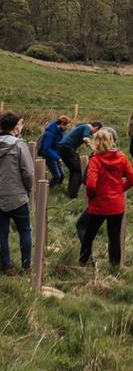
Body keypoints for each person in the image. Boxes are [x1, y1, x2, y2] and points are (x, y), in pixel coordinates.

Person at [79, 129, 133, 267]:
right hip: (116, 205)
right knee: (114, 237)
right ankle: (115, 267)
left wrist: (91, 196)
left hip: (99, 205)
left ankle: (82, 263)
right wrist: (119, 190)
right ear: (111, 141)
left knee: (89, 235)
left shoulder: (95, 160)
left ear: (96, 143)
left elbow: (91, 184)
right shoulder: (122, 158)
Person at [0, 113, 33, 273]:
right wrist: (28, 189)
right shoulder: (19, 145)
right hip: (17, 196)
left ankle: (6, 266)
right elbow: (28, 172)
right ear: (14, 127)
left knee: (1, 232)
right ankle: (26, 265)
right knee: (25, 230)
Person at [58, 120, 103, 198]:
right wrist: (94, 149)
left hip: (63, 148)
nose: (94, 133)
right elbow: (85, 139)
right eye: (96, 131)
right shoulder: (87, 127)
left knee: (74, 170)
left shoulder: (83, 126)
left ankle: (71, 192)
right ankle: (72, 194)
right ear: (96, 127)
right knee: (77, 170)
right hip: (67, 148)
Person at [39, 115, 70, 188]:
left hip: (56, 154)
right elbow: (46, 148)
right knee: (57, 176)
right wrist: (57, 158)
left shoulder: (60, 131)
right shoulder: (49, 134)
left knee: (62, 175)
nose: (67, 128)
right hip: (49, 155)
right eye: (66, 126)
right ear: (61, 124)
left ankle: (57, 188)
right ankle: (46, 188)